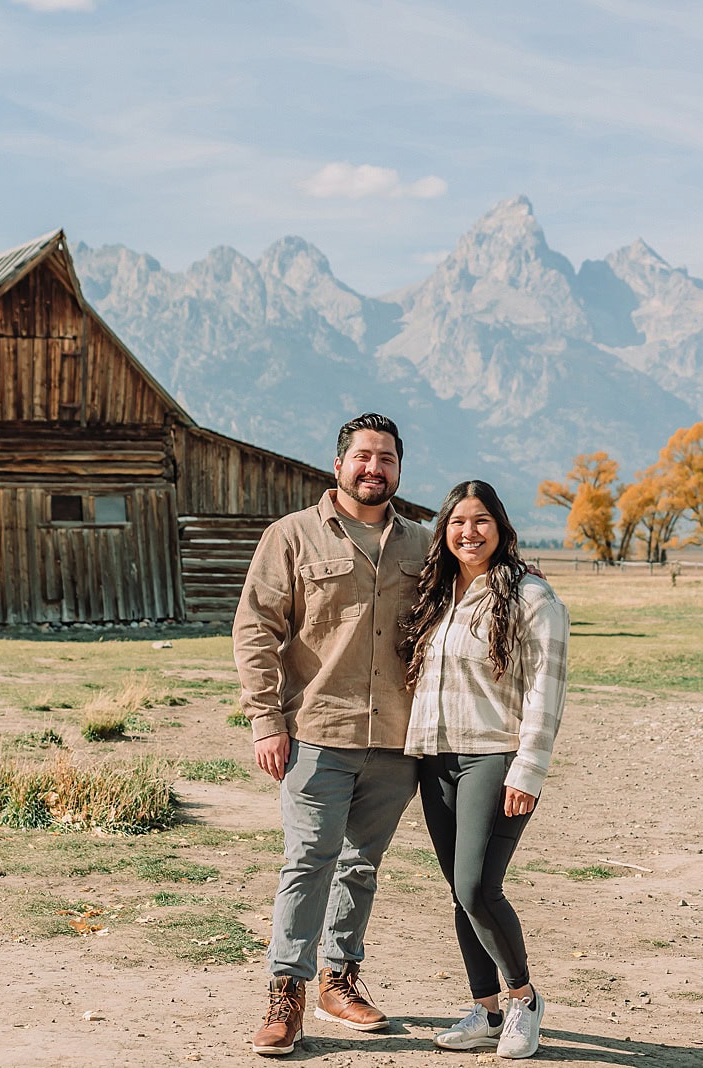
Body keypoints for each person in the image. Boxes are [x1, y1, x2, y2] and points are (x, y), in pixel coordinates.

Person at [234, 413, 433, 1057]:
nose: (375, 468)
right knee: (307, 863)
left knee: (361, 866)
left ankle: (338, 980)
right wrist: (266, 720)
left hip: (397, 739)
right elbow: (255, 629)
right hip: (316, 732)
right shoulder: (290, 537)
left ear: (400, 469)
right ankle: (285, 993)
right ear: (339, 463)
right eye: (364, 456)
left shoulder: (422, 545)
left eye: (388, 459)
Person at [400, 480, 569, 1059]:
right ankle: (485, 1011)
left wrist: (529, 770)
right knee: (458, 890)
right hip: (436, 758)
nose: (468, 533)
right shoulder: (436, 596)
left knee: (477, 887)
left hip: (493, 757)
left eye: (481, 521)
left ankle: (523, 999)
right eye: (456, 523)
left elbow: (546, 690)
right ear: (443, 531)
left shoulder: (530, 597)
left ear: (501, 528)